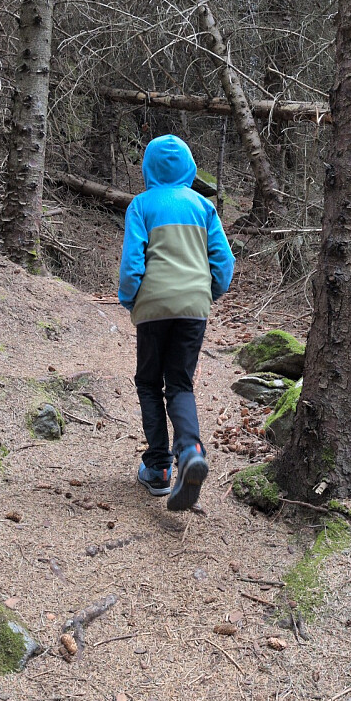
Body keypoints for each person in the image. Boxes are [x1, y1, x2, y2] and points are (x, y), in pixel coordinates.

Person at [118, 135, 235, 511]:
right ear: (189, 167)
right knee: (180, 384)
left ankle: (158, 469)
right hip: (193, 307)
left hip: (153, 307)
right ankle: (191, 451)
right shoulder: (203, 206)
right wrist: (207, 293)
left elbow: (132, 264)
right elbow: (224, 263)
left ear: (148, 168)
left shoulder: (141, 205)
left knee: (149, 383)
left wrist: (130, 298)